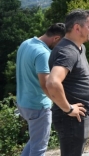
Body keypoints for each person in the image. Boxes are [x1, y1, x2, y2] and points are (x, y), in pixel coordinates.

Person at [46, 9, 89, 156]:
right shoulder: (67, 51)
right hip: (71, 119)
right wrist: (68, 109)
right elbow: (53, 83)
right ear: (77, 28)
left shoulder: (79, 48)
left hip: (77, 119)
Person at [15, 23, 65, 156]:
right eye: (61, 43)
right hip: (38, 107)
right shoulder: (43, 54)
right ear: (56, 38)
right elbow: (46, 84)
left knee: (34, 141)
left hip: (23, 103)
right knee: (39, 149)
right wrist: (61, 104)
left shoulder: (26, 43)